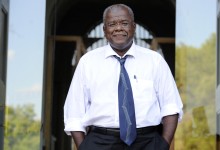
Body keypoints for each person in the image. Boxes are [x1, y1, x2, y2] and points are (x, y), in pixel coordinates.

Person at [64, 3, 183, 150]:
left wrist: (163, 145)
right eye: (112, 24)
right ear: (104, 29)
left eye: (124, 23)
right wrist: (84, 147)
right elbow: (74, 112)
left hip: (147, 142)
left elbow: (171, 107)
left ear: (134, 27)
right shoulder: (87, 62)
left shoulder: (155, 61)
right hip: (100, 142)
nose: (118, 28)